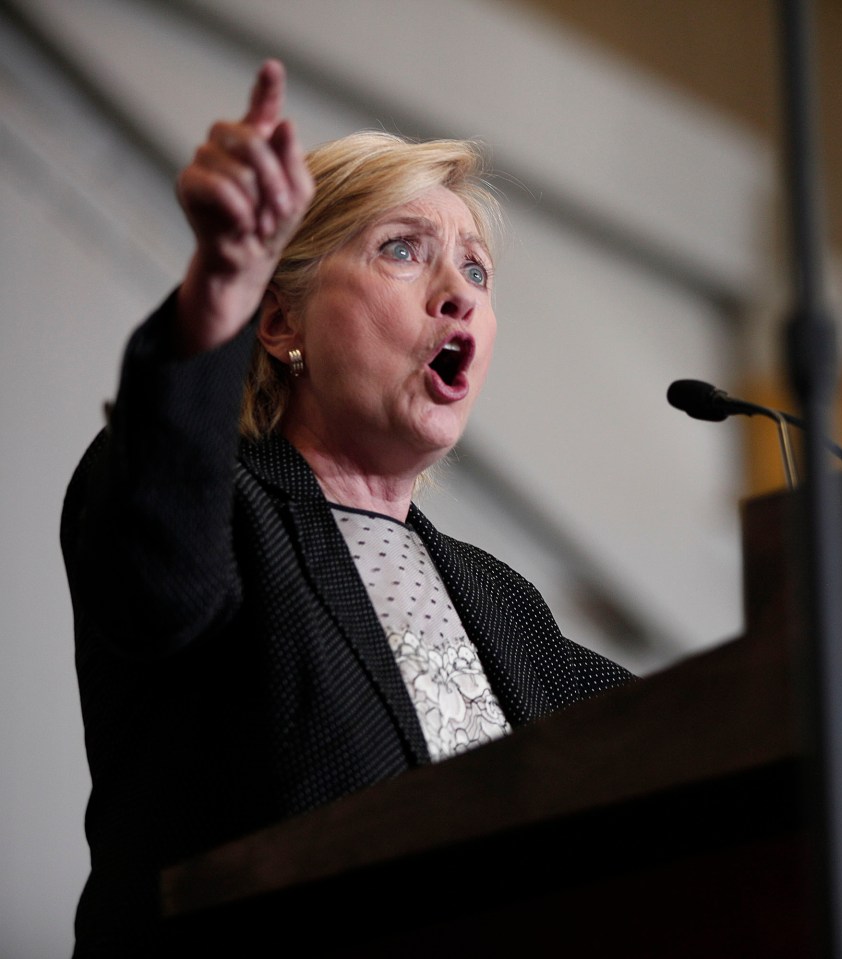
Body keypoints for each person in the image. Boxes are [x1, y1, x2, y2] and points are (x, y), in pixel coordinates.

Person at [61, 60, 633, 956]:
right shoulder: (214, 502)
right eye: (402, 248)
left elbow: (658, 743)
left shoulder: (500, 601)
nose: (458, 293)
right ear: (281, 321)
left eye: (475, 270)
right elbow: (155, 578)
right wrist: (219, 289)